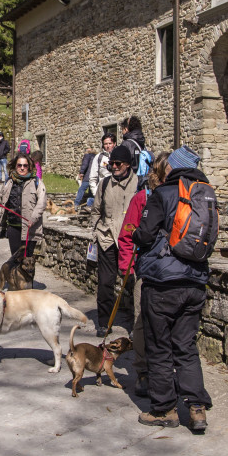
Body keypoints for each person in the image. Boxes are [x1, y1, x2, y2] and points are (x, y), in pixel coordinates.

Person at [131, 145, 212, 432]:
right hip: (196, 282)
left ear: (172, 167)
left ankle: (165, 409)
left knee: (160, 346)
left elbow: (145, 233)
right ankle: (197, 408)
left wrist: (137, 234)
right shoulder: (206, 193)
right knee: (186, 347)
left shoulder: (164, 193)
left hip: (163, 283)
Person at [117, 150, 169, 398]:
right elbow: (127, 234)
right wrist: (127, 266)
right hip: (145, 271)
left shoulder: (182, 197)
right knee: (141, 320)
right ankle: (143, 371)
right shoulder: (142, 198)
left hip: (174, 273)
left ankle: (167, 372)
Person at [90, 144, 139, 336]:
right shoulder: (104, 184)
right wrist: (95, 230)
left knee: (133, 284)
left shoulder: (138, 183)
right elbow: (96, 210)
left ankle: (136, 326)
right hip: (107, 238)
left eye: (117, 163)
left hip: (130, 241)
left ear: (127, 164)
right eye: (111, 163)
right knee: (105, 283)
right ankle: (104, 323)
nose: (114, 166)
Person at [0, 153, 47, 286]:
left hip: (30, 227)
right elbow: (1, 199)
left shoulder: (36, 182)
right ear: (15, 166)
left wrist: (33, 218)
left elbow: (41, 203)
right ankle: (16, 285)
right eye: (19, 165)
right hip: (13, 226)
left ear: (29, 167)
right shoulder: (9, 181)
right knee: (16, 258)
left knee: (29, 261)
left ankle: (29, 287)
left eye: (25, 165)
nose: (22, 168)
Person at [87, 133, 116, 210]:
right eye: (106, 144)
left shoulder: (119, 156)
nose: (108, 146)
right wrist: (96, 193)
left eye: (110, 143)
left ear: (114, 144)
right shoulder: (99, 157)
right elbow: (92, 177)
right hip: (103, 194)